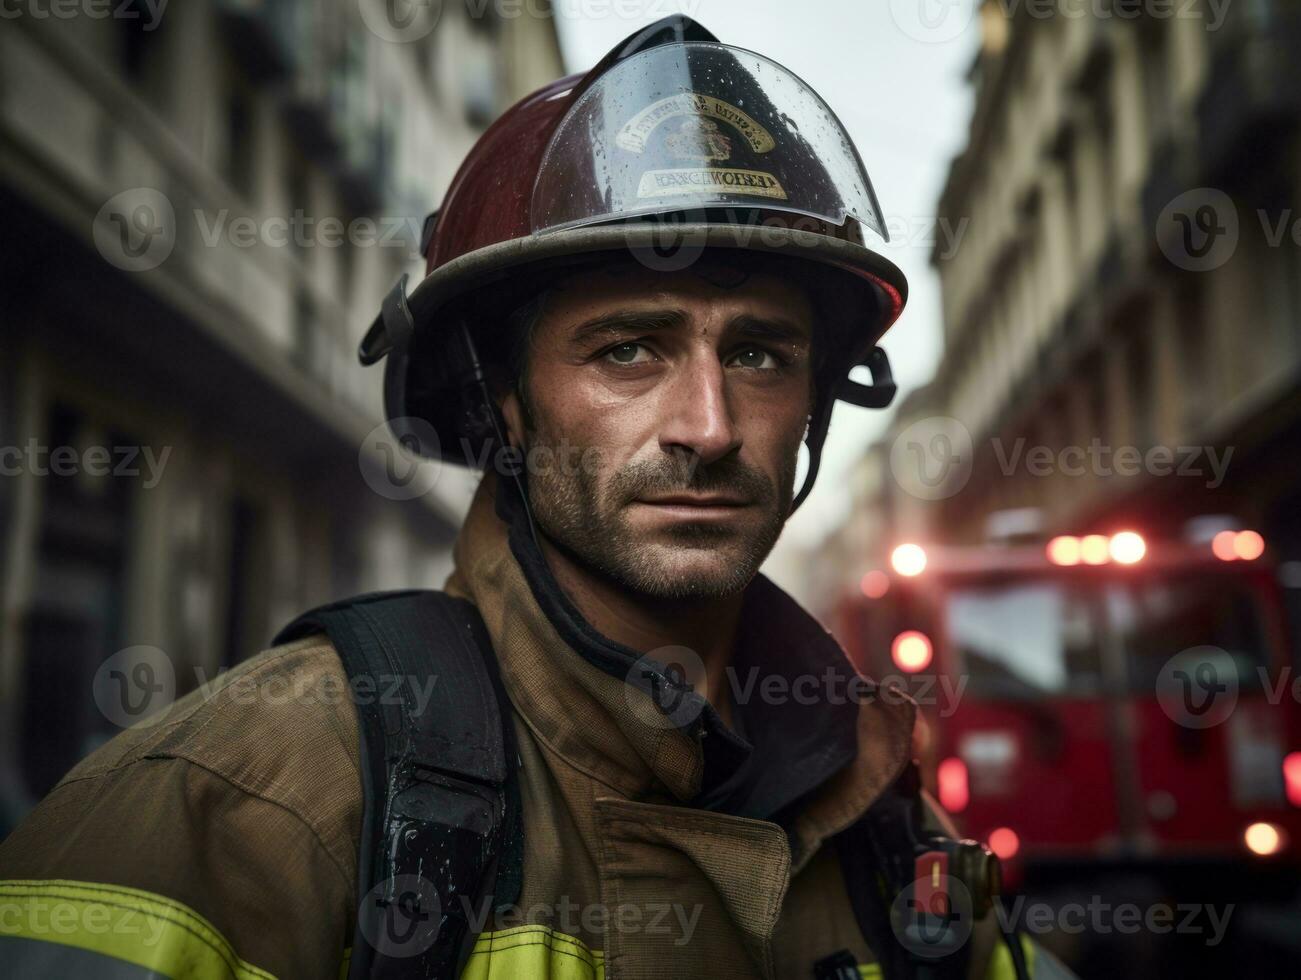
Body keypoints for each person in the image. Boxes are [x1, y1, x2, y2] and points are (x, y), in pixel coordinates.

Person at [0, 15, 1058, 980]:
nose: (709, 424)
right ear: (503, 402)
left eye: (759, 353)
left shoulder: (885, 818)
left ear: (818, 401)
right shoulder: (246, 798)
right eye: (627, 347)